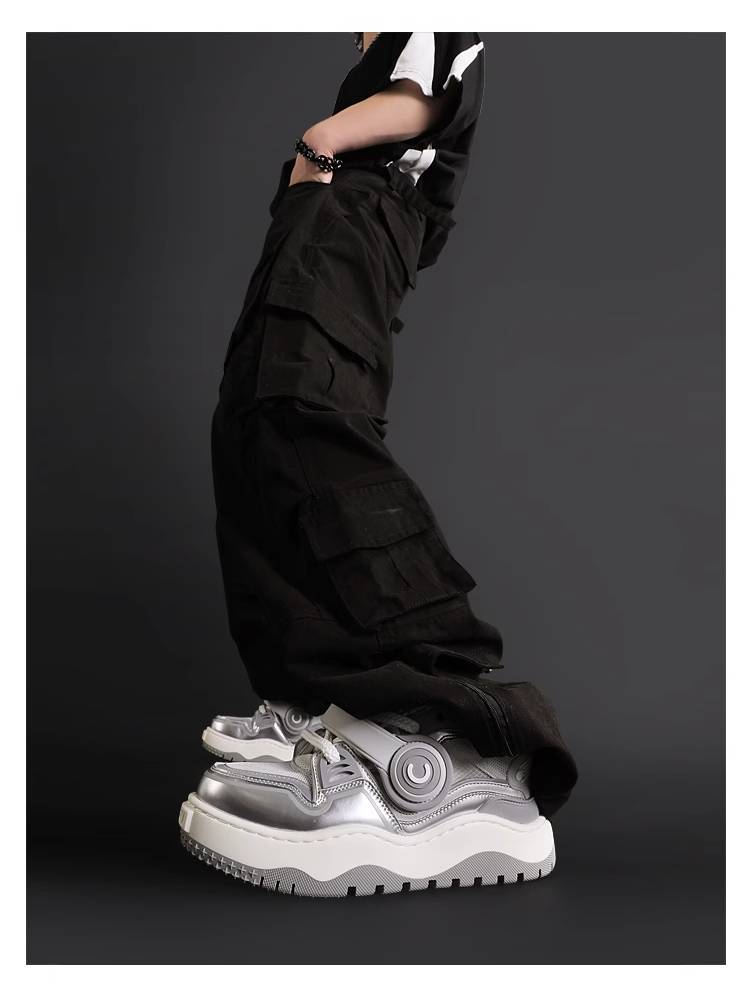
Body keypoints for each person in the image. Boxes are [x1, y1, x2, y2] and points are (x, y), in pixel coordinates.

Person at [179, 32, 577, 897]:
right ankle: (319, 714)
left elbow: (425, 99)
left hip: (350, 220)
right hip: (324, 223)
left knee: (303, 417)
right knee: (250, 430)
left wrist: (317, 146)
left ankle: (455, 730)